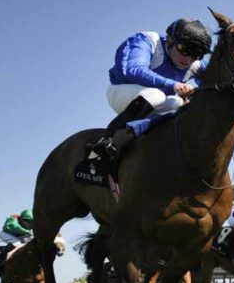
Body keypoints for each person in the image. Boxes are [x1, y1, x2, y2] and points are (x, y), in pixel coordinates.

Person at [84, 18, 212, 176]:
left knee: (180, 104)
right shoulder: (148, 40)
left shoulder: (196, 64)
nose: (187, 59)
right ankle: (107, 142)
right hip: (123, 92)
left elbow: (216, 82)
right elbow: (133, 69)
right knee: (155, 94)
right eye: (183, 49)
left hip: (156, 105)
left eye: (196, 55)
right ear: (171, 40)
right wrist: (173, 85)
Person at [0, 209, 34, 273]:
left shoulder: (30, 224)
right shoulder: (13, 219)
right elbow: (15, 227)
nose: (30, 224)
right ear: (22, 219)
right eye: (28, 222)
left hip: (19, 234)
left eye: (31, 222)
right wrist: (27, 232)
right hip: (6, 233)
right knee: (18, 244)